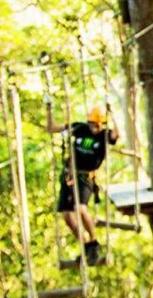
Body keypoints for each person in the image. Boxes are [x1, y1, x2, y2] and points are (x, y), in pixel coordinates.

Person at [49, 104, 118, 266]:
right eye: (94, 124)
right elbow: (51, 128)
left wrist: (112, 114)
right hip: (69, 175)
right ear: (88, 122)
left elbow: (116, 134)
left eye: (100, 125)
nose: (96, 128)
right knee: (67, 215)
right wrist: (48, 108)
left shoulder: (104, 136)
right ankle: (86, 245)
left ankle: (94, 242)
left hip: (86, 177)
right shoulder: (79, 128)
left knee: (80, 209)